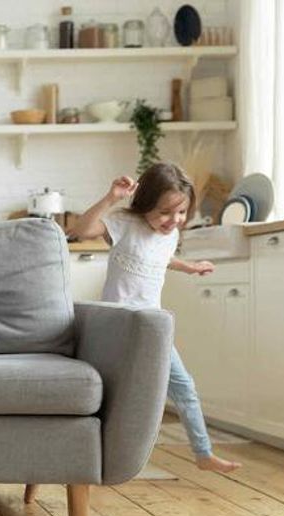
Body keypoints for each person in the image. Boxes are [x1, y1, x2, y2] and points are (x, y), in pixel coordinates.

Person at [69, 162, 242, 473]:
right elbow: (81, 231)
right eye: (165, 213)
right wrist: (111, 197)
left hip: (153, 327)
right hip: (119, 326)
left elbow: (159, 257)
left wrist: (188, 266)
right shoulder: (124, 223)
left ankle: (203, 453)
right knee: (109, 392)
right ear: (145, 203)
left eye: (180, 213)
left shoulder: (170, 235)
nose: (173, 221)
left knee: (184, 387)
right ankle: (88, 453)